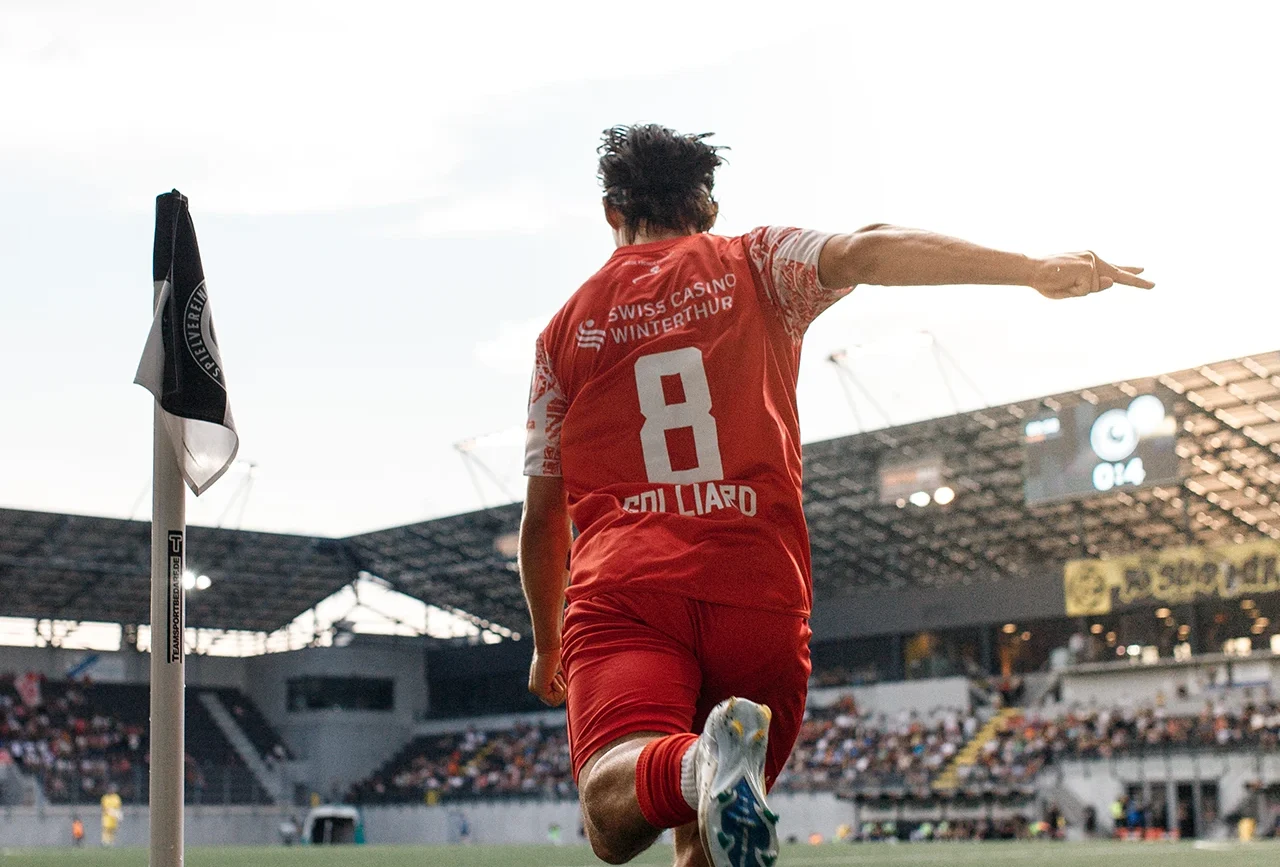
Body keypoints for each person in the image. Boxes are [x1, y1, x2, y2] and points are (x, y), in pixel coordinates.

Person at [520, 123, 1153, 867]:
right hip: (759, 594)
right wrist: (1034, 269)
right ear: (710, 207)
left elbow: (541, 519)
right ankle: (711, 764)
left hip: (630, 593)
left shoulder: (562, 333)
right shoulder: (756, 260)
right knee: (707, 844)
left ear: (610, 211)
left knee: (611, 809)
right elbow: (869, 246)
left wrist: (545, 641)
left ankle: (697, 763)